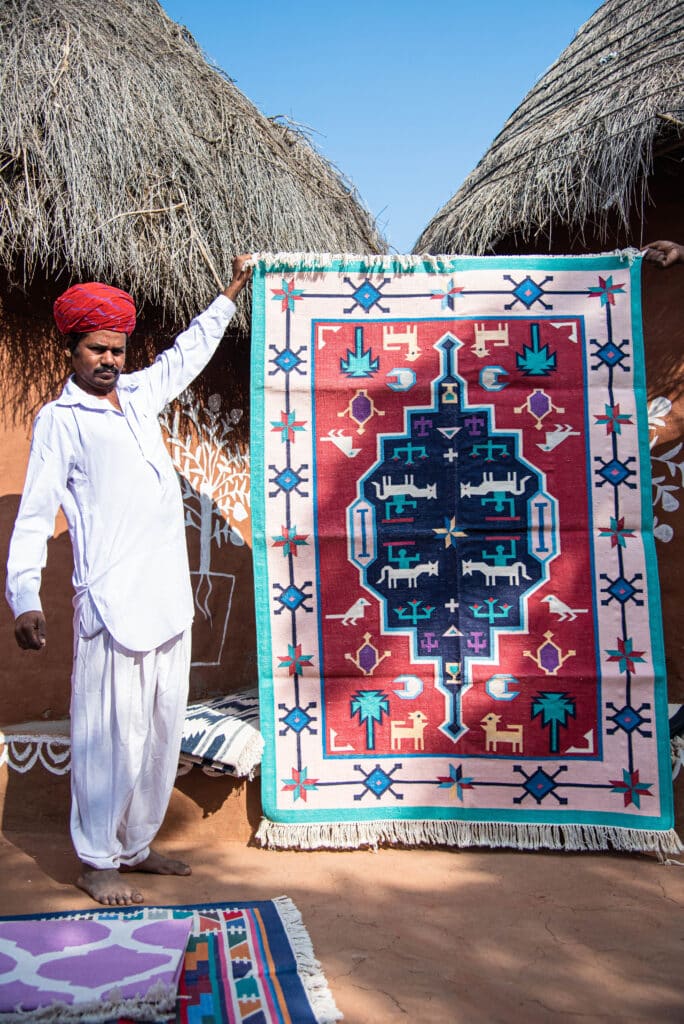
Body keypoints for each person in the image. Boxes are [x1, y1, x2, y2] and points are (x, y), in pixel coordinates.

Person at [5, 255, 251, 905]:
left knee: (159, 729)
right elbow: (33, 516)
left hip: (167, 599)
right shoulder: (60, 423)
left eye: (116, 348)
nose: (109, 359)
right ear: (73, 348)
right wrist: (24, 597)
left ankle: (136, 845)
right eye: (96, 348)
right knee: (108, 736)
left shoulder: (140, 394)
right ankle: (96, 857)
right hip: (110, 604)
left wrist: (230, 291)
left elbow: (187, 354)